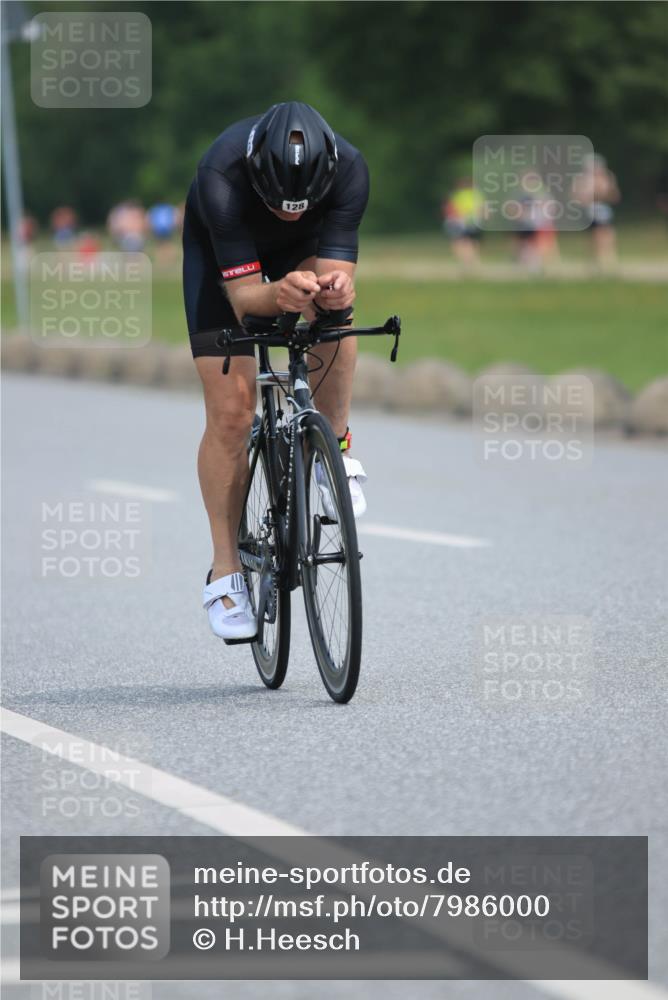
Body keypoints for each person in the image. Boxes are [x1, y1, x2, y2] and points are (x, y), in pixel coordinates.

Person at [182, 101, 369, 643]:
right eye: (279, 204)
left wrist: (336, 288)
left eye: (301, 204)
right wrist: (275, 293)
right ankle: (225, 570)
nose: (290, 212)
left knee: (335, 315)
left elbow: (337, 273)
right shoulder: (221, 173)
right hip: (224, 256)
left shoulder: (351, 170)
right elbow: (243, 300)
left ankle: (334, 447)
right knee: (232, 413)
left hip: (302, 254)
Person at [571, 154, 620, 267]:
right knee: (594, 236)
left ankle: (608, 259)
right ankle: (595, 260)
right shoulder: (582, 179)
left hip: (603, 209)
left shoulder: (606, 177)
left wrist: (603, 192)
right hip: (590, 210)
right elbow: (577, 196)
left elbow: (614, 196)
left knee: (607, 234)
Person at [442, 179, 483, 266]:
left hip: (461, 221)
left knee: (459, 241)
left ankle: (465, 260)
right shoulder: (476, 195)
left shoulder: (458, 195)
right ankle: (473, 259)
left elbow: (451, 208)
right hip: (472, 221)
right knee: (471, 241)